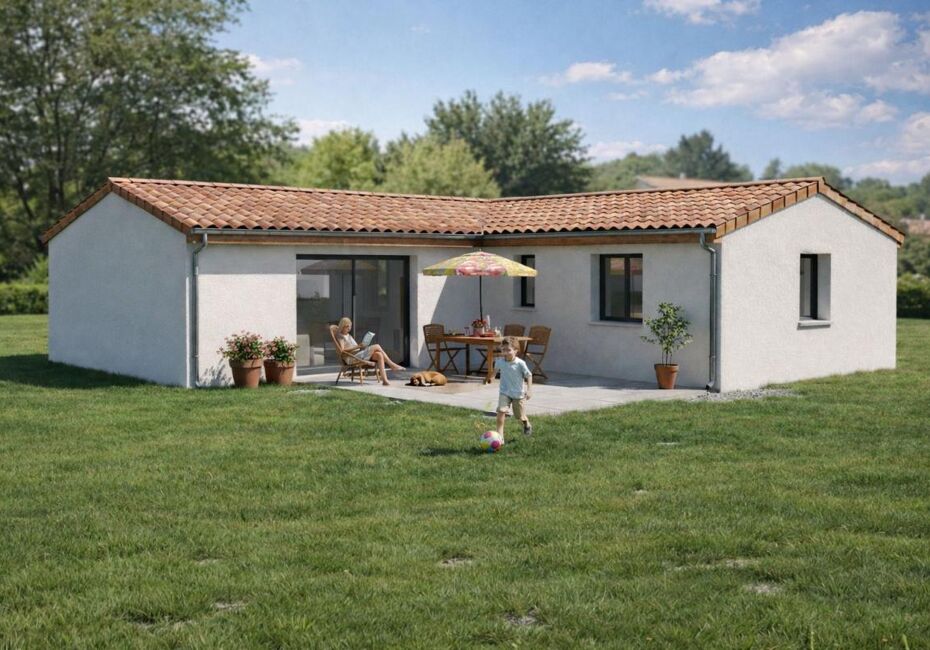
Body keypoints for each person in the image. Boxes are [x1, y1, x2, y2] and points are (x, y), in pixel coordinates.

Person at [334, 317, 404, 386]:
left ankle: (385, 380)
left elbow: (356, 347)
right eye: (348, 326)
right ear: (343, 326)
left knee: (379, 355)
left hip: (358, 355)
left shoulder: (349, 335)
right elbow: (342, 351)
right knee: (377, 346)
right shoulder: (341, 337)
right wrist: (358, 346)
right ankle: (391, 365)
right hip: (352, 358)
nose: (349, 328)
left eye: (350, 326)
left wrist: (361, 346)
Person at [493, 337, 533, 439]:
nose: (505, 352)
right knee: (501, 412)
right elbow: (494, 372)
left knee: (519, 416)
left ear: (516, 350)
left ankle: (526, 424)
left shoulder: (520, 363)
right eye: (503, 350)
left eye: (508, 350)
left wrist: (529, 390)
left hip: (517, 394)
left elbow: (529, 375)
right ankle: (500, 437)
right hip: (504, 392)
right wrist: (489, 379)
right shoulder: (500, 361)